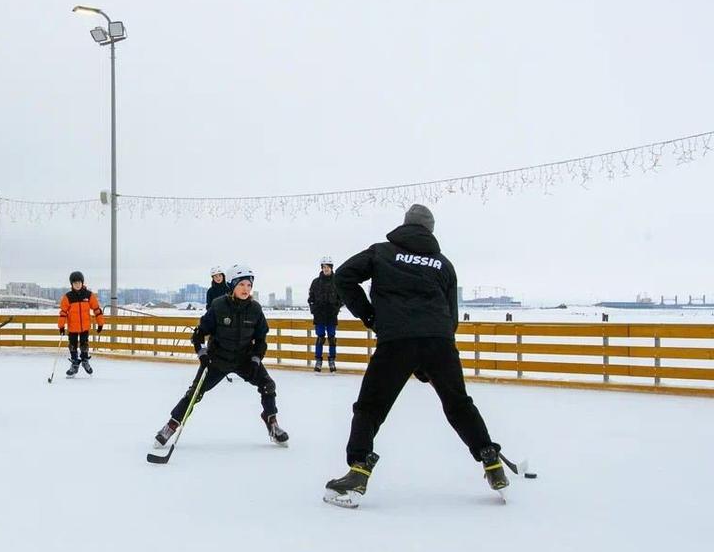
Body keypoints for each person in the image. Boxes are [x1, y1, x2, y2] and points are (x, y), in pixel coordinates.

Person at [323, 204, 507, 508]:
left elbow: (343, 276)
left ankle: (357, 471)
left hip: (396, 341)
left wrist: (370, 316)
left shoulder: (382, 252)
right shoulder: (443, 263)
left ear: (405, 225)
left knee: (370, 407)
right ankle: (490, 460)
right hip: (439, 342)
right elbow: (452, 315)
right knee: (459, 404)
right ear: (430, 231)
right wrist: (432, 355)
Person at [152, 264, 289, 448]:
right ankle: (171, 425)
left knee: (268, 385)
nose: (246, 289)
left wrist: (256, 359)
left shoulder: (255, 309)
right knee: (195, 393)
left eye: (249, 285)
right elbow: (198, 335)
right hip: (217, 360)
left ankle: (272, 423)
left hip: (244, 359)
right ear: (232, 286)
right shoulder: (218, 306)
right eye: (241, 285)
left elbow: (261, 339)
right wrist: (203, 355)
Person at [58, 271, 104, 377]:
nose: (77, 285)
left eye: (79, 282)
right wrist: (61, 326)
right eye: (75, 283)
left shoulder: (88, 295)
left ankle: (84, 361)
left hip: (84, 327)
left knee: (84, 344)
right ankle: (74, 363)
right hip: (73, 327)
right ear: (72, 284)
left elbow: (97, 309)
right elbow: (63, 313)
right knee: (72, 345)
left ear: (82, 283)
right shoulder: (68, 297)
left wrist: (100, 323)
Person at [307, 256, 342, 372]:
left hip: (332, 315)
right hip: (319, 315)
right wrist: (314, 309)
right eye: (324, 267)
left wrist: (336, 308)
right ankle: (318, 361)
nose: (326, 269)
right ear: (321, 268)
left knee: (332, 338)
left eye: (328, 267)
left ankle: (332, 360)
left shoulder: (337, 281)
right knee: (320, 338)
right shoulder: (316, 282)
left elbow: (342, 297)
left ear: (331, 268)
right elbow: (311, 298)